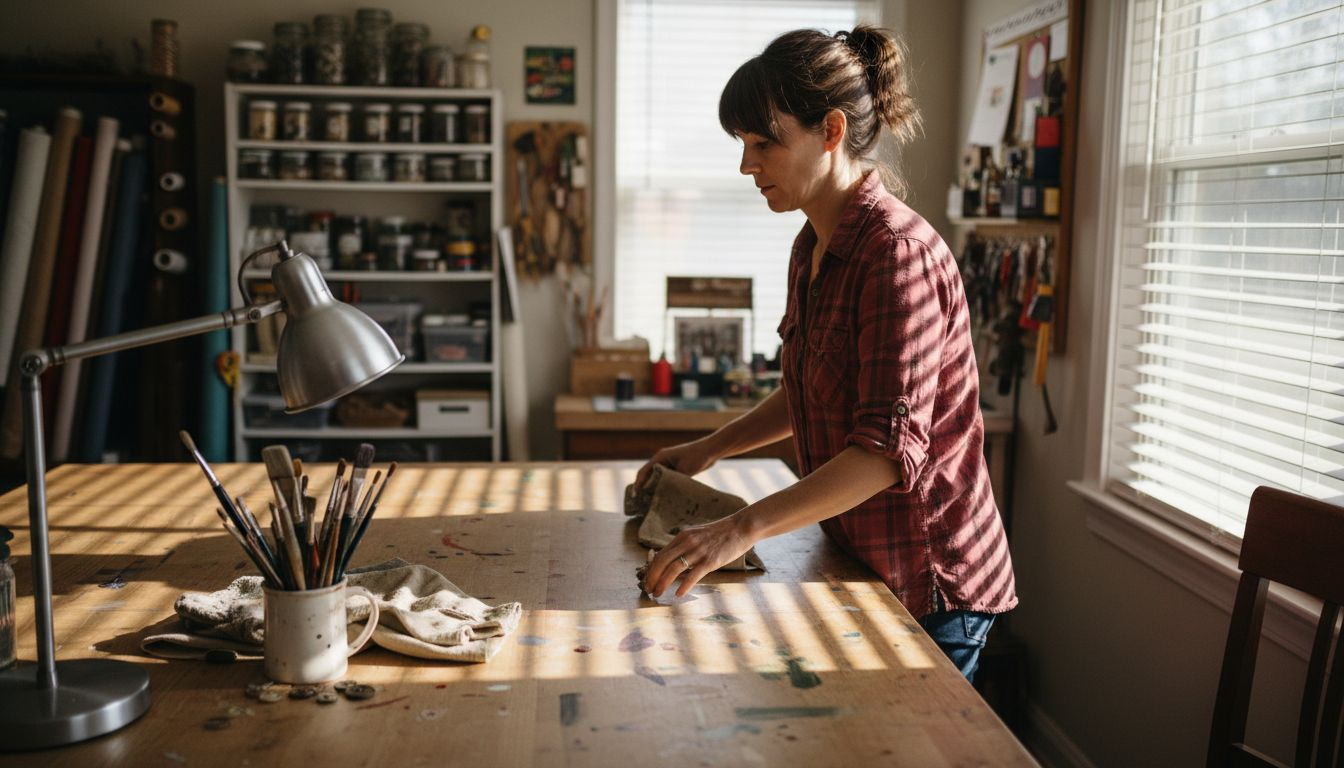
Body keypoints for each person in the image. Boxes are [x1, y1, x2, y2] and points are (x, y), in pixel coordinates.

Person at [636, 25, 1017, 681]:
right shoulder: (812, 244)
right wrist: (711, 449)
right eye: (743, 145)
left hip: (929, 581)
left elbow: (881, 456)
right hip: (859, 558)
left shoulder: (897, 257)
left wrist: (740, 528)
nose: (746, 165)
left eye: (764, 143)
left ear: (831, 132)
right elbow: (812, 387)